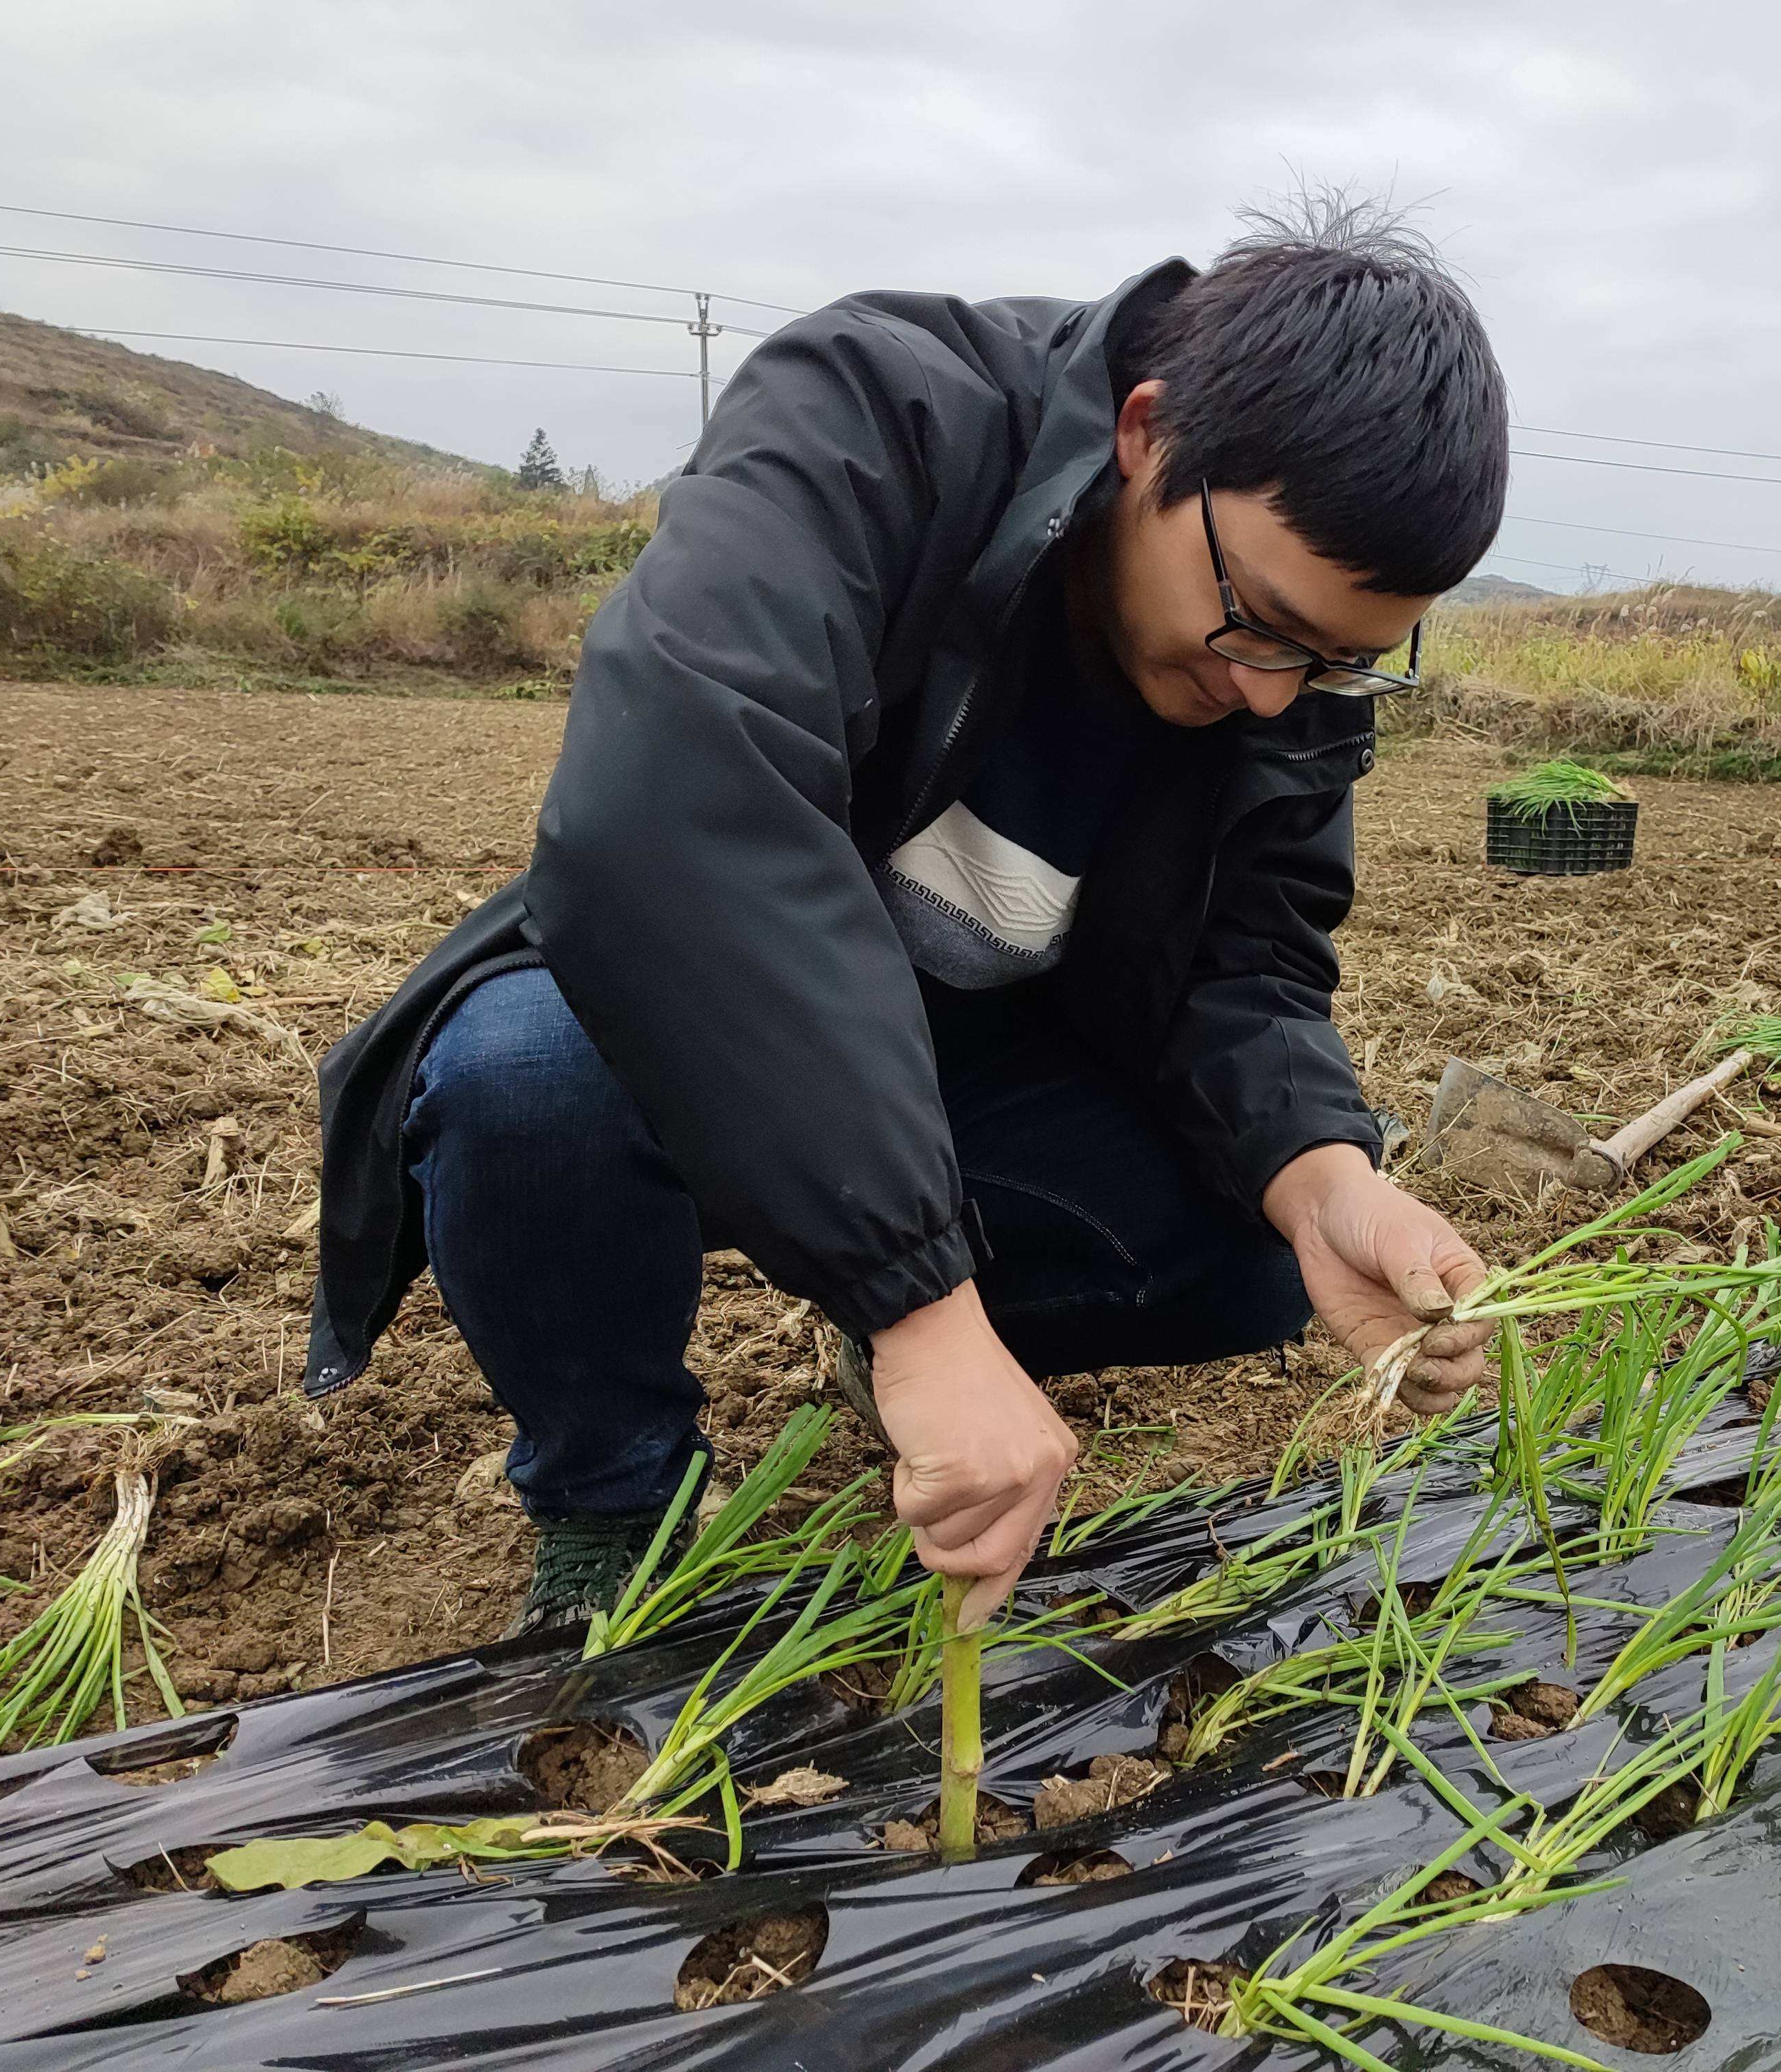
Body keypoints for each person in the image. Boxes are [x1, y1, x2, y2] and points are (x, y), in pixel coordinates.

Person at [301, 198, 1510, 1638]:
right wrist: (921, 1306)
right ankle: (615, 1508)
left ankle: (894, 1349)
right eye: (1252, 621)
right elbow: (674, 814)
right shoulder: (872, 420)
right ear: (1146, 434)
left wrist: (1328, 1182)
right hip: (708, 1001)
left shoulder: (1281, 674)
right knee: (522, 1084)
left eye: (1334, 664)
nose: (1266, 693)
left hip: (978, 1064)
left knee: (1251, 1243)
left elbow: (1243, 966)